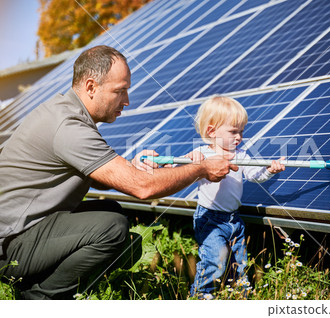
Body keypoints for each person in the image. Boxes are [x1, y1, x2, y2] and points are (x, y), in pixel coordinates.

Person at [0, 45, 237, 300]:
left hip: (23, 232)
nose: (127, 101)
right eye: (120, 91)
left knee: (111, 210)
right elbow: (143, 188)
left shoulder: (65, 112)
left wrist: (132, 166)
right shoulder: (68, 127)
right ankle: (37, 300)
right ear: (91, 87)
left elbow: (98, 176)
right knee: (112, 228)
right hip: (9, 245)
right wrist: (201, 168)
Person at [187, 96, 285, 299]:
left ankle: (240, 295)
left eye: (241, 131)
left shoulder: (241, 155)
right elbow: (185, 172)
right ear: (212, 131)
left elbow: (253, 175)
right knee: (214, 260)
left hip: (234, 219)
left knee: (238, 263)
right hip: (209, 219)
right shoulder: (202, 153)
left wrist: (269, 171)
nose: (239, 136)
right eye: (233, 131)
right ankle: (201, 295)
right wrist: (193, 164)